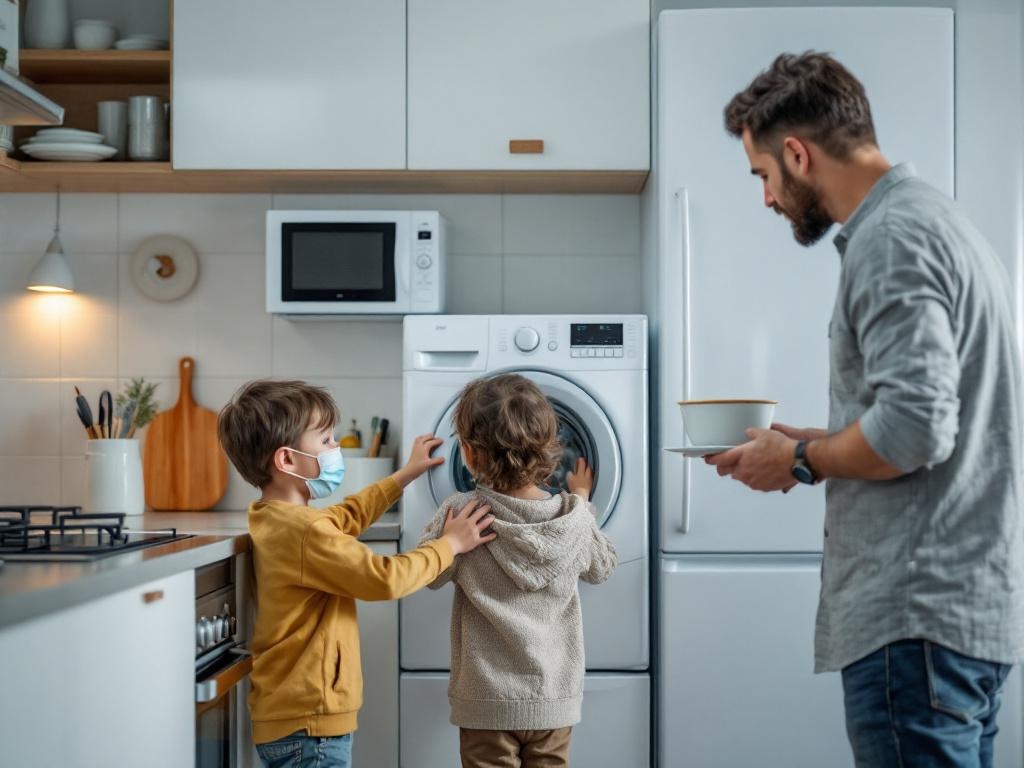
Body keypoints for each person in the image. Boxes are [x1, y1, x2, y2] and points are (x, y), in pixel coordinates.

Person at [711, 52, 1024, 766]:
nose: (766, 199)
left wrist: (799, 457)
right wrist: (819, 447)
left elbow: (915, 429)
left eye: (763, 176)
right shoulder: (943, 222)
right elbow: (937, 413)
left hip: (915, 621)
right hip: (966, 612)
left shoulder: (889, 240)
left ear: (797, 153)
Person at [217, 379, 495, 768]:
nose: (336, 450)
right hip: (311, 725)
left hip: (294, 718)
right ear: (287, 460)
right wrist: (450, 544)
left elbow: (346, 516)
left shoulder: (279, 519)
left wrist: (404, 476)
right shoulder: (303, 531)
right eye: (327, 440)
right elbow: (385, 578)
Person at [418, 373, 618, 768]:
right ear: (549, 450)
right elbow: (603, 567)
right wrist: (582, 501)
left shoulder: (462, 514)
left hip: (485, 700)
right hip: (552, 699)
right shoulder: (573, 519)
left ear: (470, 455)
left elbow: (428, 573)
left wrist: (449, 540)